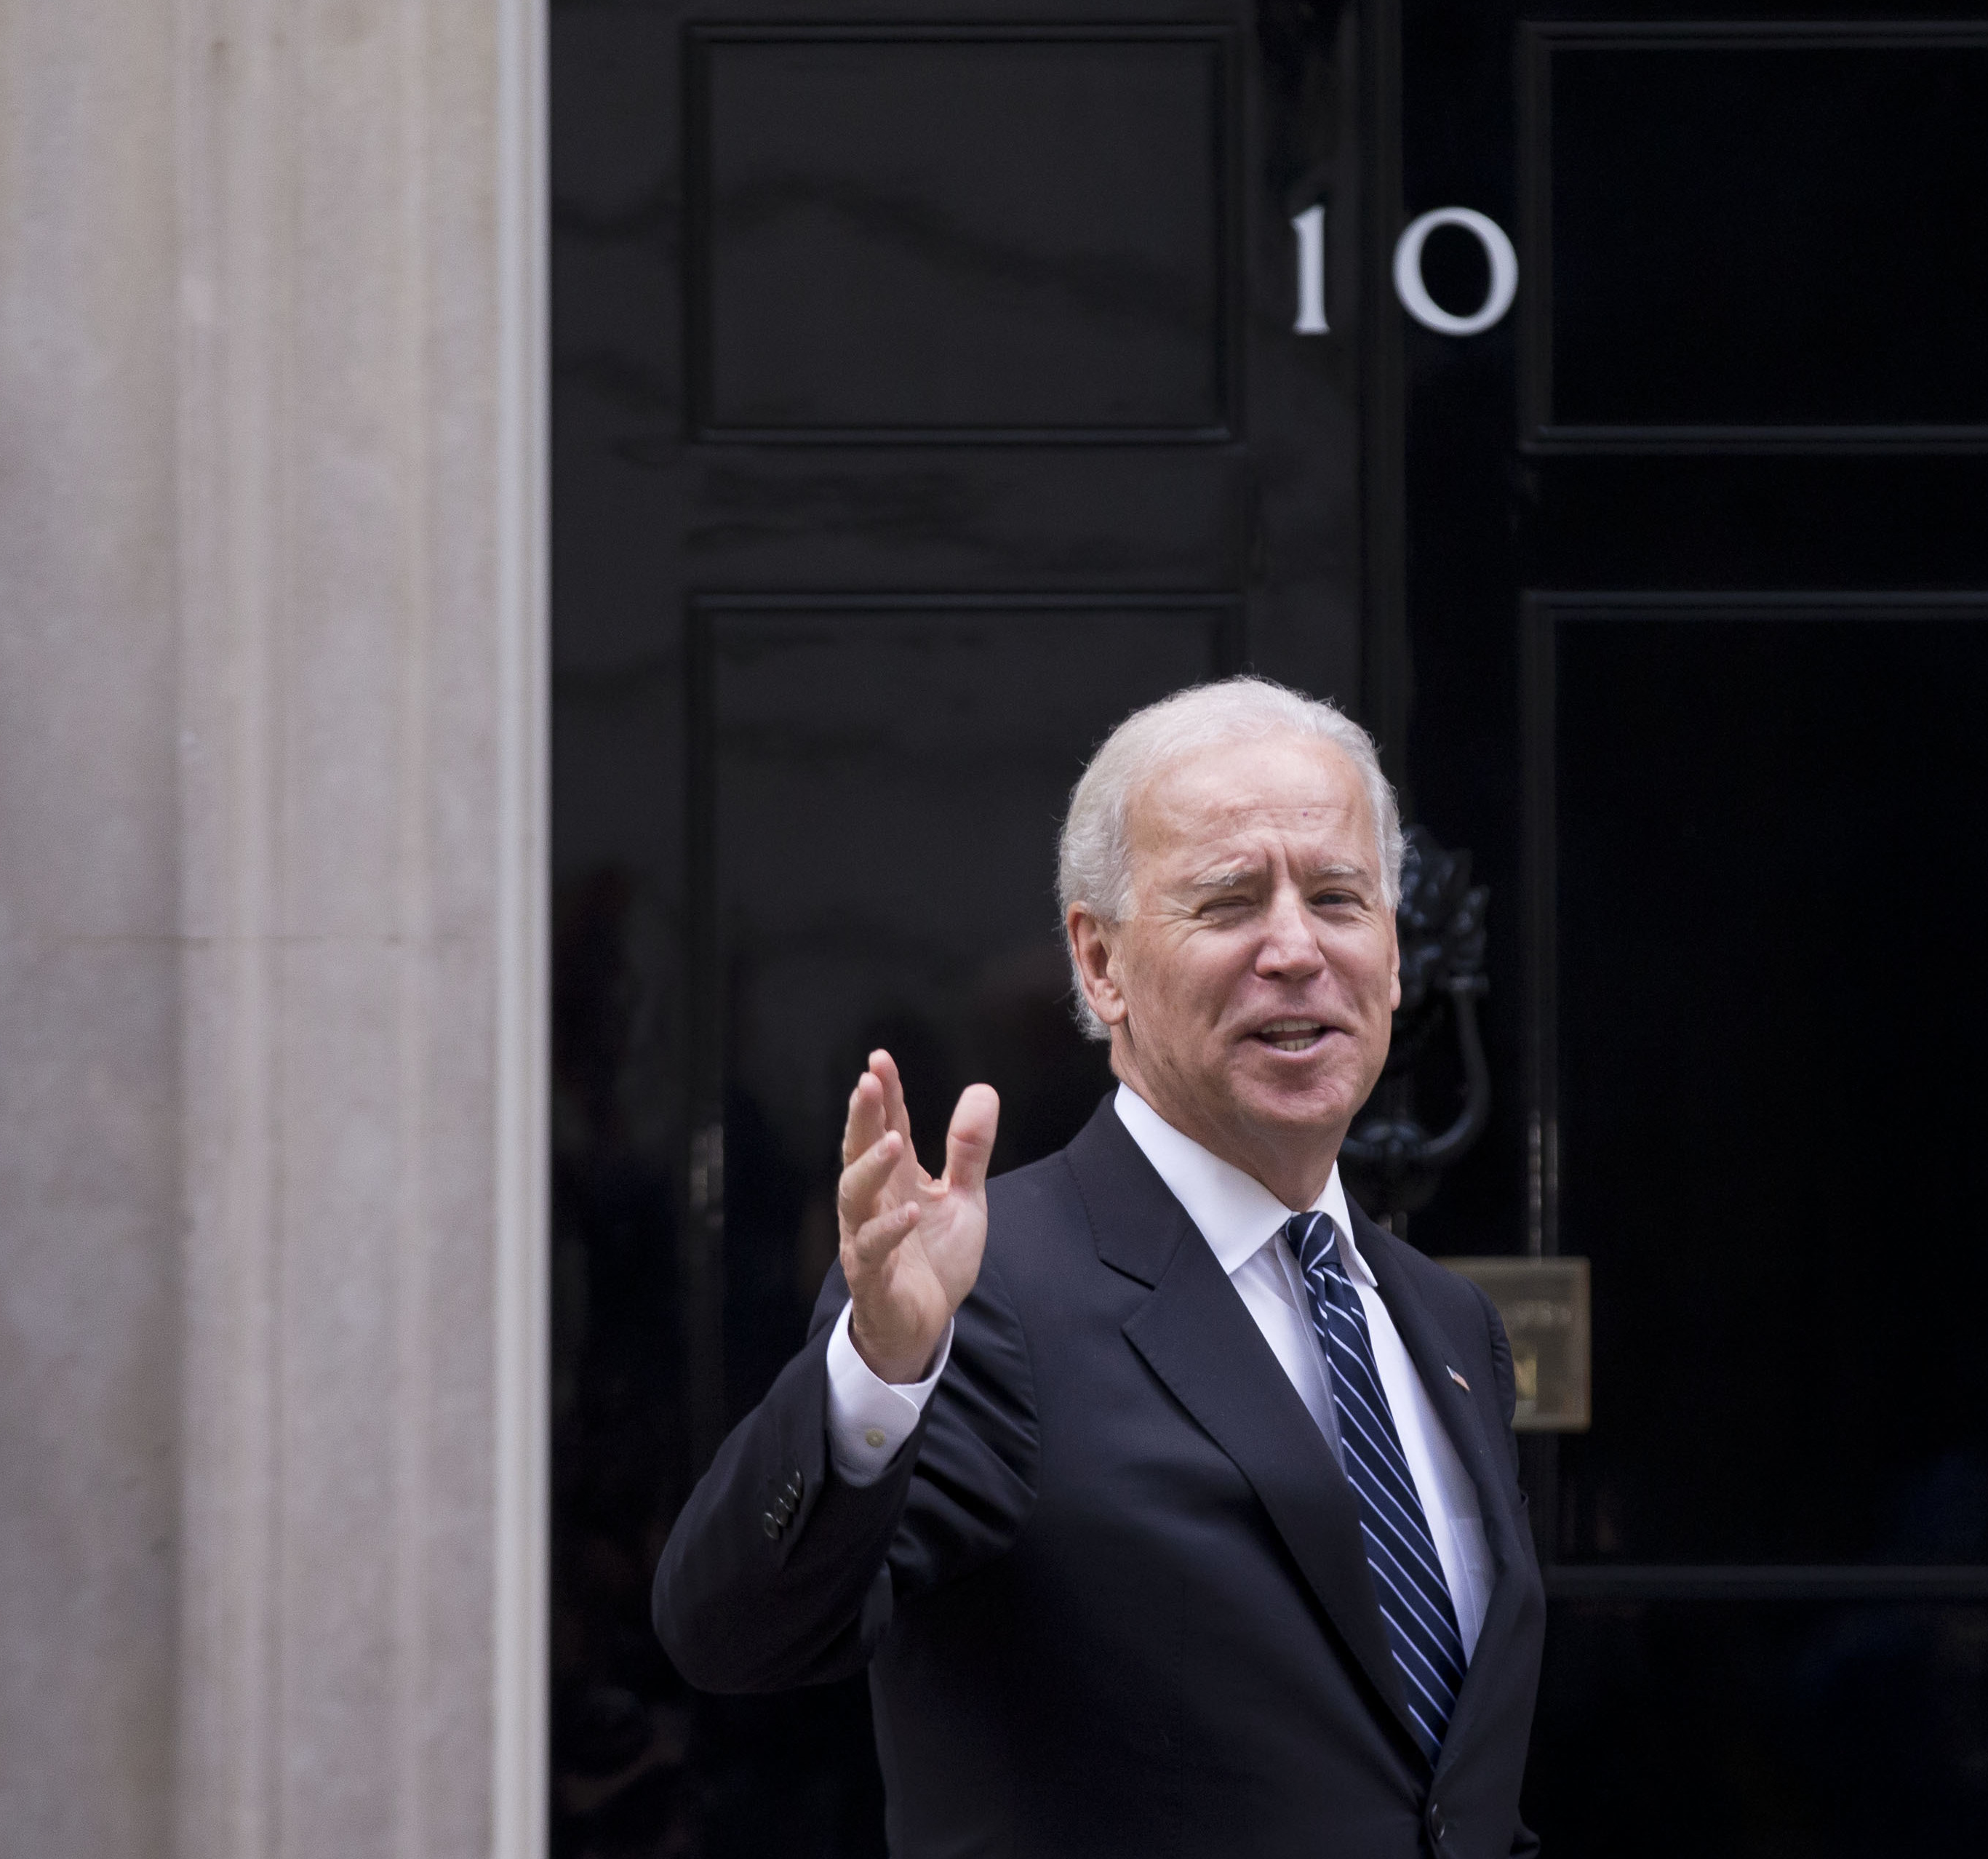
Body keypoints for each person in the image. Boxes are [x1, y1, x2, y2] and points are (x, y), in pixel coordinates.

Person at [655, 677, 1544, 1858]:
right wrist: (879, 1368)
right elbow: (733, 1636)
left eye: (1340, 897)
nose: (1296, 949)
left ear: (1391, 950)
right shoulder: (986, 1298)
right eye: (1229, 902)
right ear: (1101, 963)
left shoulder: (1447, 1322)